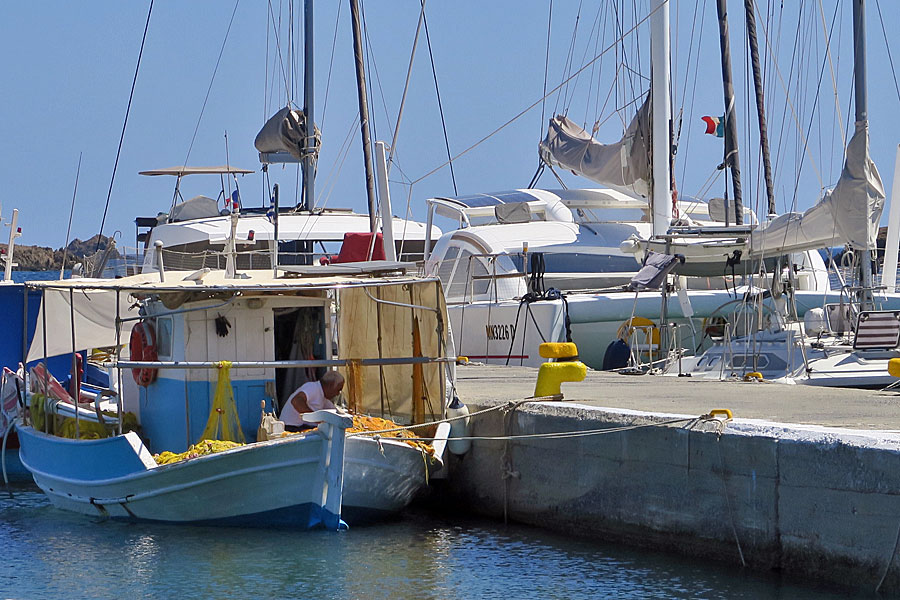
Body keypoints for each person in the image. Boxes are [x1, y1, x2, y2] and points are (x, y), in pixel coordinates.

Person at [279, 371, 345, 432]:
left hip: (302, 427)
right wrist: (315, 418)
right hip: (292, 427)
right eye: (338, 389)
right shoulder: (313, 387)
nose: (338, 394)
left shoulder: (324, 398)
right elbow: (296, 401)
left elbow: (335, 412)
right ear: (330, 385)